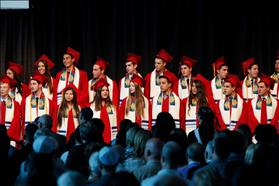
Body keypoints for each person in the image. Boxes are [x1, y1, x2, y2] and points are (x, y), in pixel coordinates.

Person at [90, 78, 118, 144]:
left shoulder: (113, 107)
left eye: (107, 90)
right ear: (98, 92)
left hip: (111, 137)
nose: (105, 92)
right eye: (103, 90)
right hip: (96, 140)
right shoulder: (91, 106)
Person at [0, 75, 22, 144]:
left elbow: (16, 121)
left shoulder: (16, 104)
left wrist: (7, 135)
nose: (2, 89)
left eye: (4, 87)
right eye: (0, 87)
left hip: (10, 137)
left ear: (9, 89)